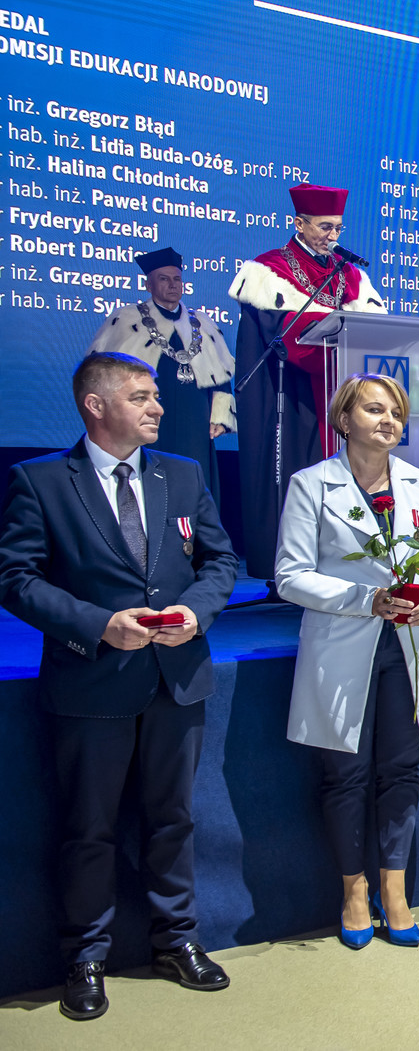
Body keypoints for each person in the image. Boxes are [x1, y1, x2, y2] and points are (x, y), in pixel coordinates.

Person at [0, 352, 237, 1020]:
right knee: (89, 828)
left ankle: (176, 941)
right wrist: (99, 625)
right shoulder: (41, 480)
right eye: (141, 397)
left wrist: (196, 613)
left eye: (155, 396)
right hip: (91, 682)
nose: (157, 407)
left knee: (173, 819)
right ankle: (85, 957)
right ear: (96, 406)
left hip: (176, 678)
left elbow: (220, 561)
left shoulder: (183, 474)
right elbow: (15, 578)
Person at [275, 373, 419, 949]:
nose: (389, 421)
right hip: (342, 643)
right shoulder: (311, 485)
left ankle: (394, 890)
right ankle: (354, 891)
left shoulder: (418, 483)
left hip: (410, 643)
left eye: (396, 412)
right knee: (346, 775)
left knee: (402, 769)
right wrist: (365, 599)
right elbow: (290, 576)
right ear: (343, 420)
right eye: (375, 409)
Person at [231, 183, 385, 578]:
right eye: (324, 227)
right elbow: (282, 334)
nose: (333, 236)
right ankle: (293, 569)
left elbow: (375, 329)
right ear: (299, 224)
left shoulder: (351, 275)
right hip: (292, 397)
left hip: (345, 393)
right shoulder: (270, 269)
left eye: (338, 228)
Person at [88, 247, 235, 494]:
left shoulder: (202, 323)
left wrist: (221, 415)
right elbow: (103, 372)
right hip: (144, 414)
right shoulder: (126, 320)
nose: (173, 285)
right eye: (164, 279)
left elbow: (220, 375)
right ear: (149, 285)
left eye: (177, 279)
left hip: (194, 420)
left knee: (194, 480)